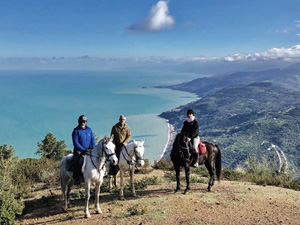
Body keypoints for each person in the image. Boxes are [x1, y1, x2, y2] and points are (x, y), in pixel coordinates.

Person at [72, 115, 95, 185]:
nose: (83, 123)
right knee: (77, 161)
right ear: (79, 122)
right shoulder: (75, 131)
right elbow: (75, 143)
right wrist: (83, 150)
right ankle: (76, 178)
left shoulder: (89, 130)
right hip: (78, 151)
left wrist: (93, 148)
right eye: (81, 121)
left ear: (86, 122)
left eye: (84, 121)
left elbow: (92, 139)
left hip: (88, 150)